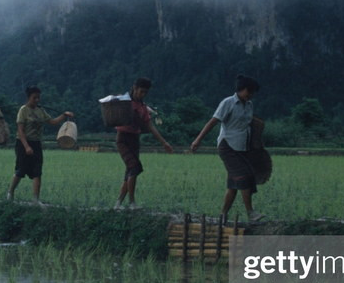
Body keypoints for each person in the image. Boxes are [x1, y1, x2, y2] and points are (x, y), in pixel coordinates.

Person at [190, 74, 264, 223]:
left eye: (253, 93)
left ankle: (223, 215)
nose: (251, 96)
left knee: (233, 184)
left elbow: (249, 126)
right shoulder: (228, 103)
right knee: (244, 176)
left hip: (242, 147)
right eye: (249, 92)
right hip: (227, 146)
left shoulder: (249, 105)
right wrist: (197, 140)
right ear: (242, 90)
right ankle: (251, 213)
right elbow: (213, 122)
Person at [113, 77, 174, 209]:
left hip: (135, 139)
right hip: (123, 139)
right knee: (134, 168)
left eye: (145, 93)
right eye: (141, 91)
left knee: (130, 171)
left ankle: (118, 203)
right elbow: (114, 100)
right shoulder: (125, 101)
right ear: (134, 88)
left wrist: (164, 143)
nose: (143, 94)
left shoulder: (142, 107)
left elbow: (150, 126)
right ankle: (131, 202)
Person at [6, 86, 74, 203]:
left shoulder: (40, 110)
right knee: (21, 170)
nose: (37, 100)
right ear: (29, 98)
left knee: (37, 171)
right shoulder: (23, 110)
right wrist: (26, 146)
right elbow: (20, 131)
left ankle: (36, 199)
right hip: (23, 143)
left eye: (38, 98)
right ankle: (10, 192)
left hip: (36, 143)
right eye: (34, 98)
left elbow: (52, 122)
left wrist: (64, 116)